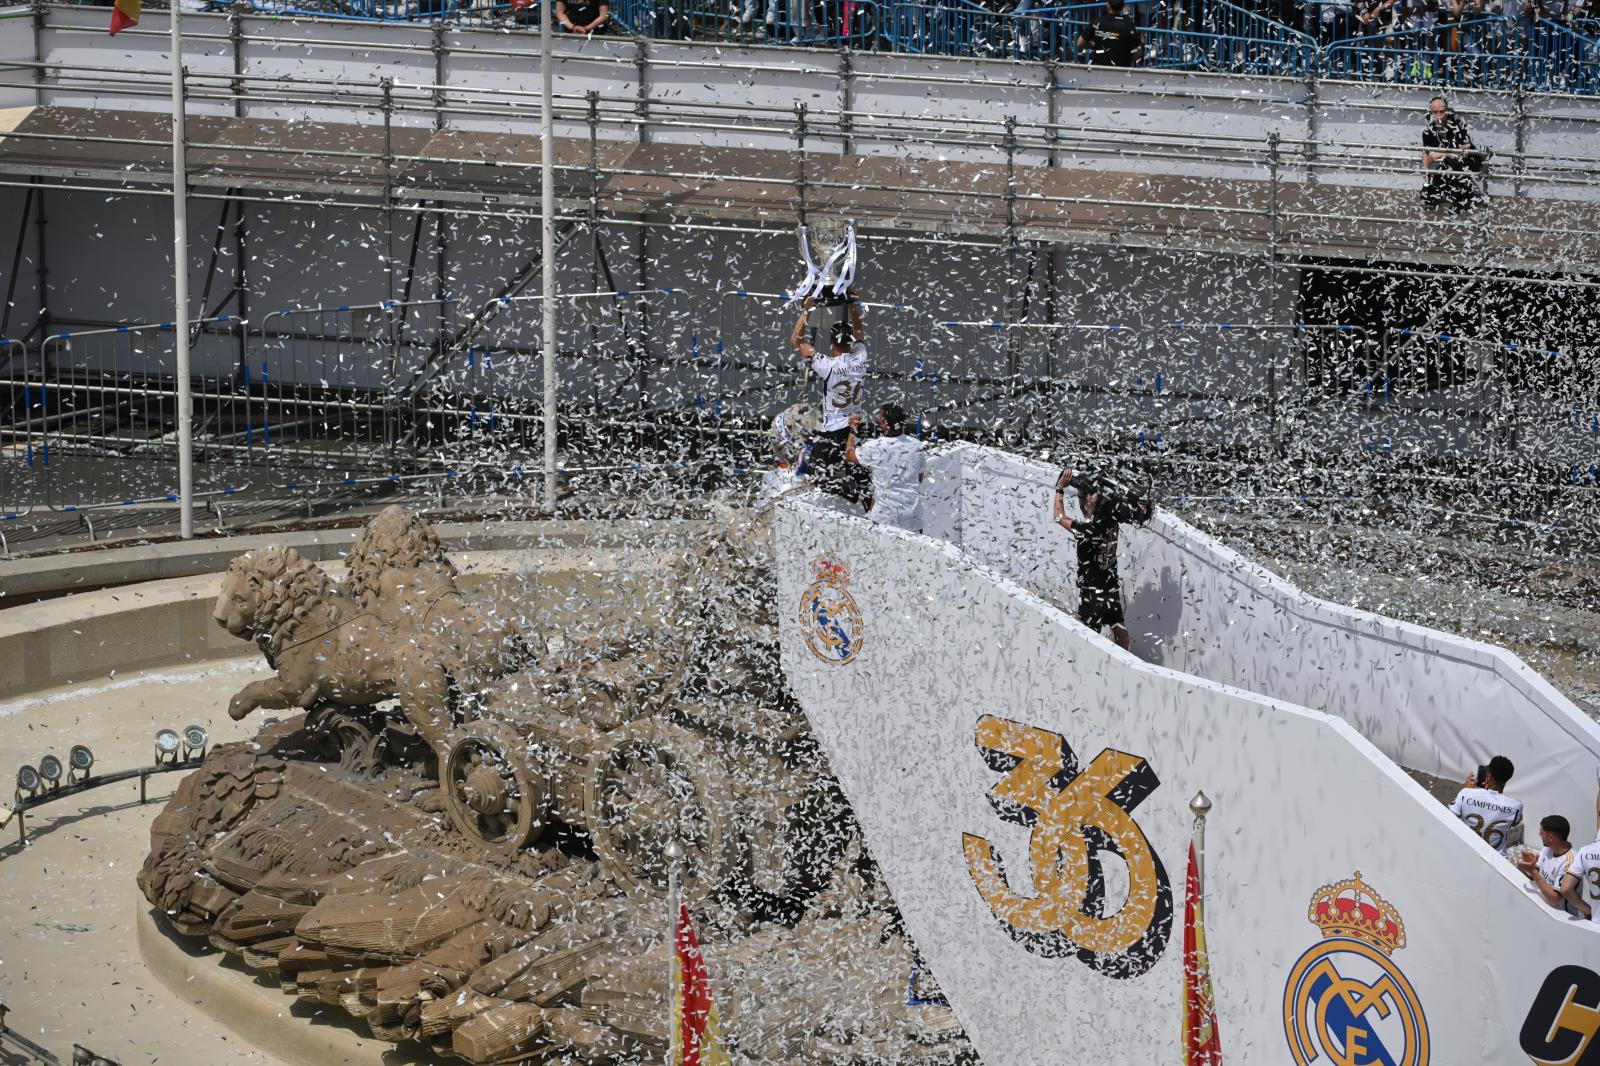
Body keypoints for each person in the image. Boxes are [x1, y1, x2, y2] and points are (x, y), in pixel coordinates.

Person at [1051, 467, 1131, 651]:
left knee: (1089, 640)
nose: (1082, 502)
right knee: (1119, 629)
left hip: (1092, 594)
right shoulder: (1113, 521)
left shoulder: (1090, 531)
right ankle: (1126, 661)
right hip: (1110, 588)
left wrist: (1059, 489)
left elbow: (1058, 517)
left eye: (1082, 498)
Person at [791, 296, 867, 456]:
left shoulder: (827, 365)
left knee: (821, 473)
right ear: (851, 341)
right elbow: (859, 330)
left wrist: (807, 310)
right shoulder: (861, 356)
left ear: (831, 341)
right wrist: (851, 304)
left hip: (833, 429)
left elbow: (797, 342)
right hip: (856, 426)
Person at [849, 403, 925, 531]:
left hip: (884, 518)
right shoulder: (917, 446)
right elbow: (919, 478)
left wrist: (852, 428)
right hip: (912, 518)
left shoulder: (873, 447)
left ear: (884, 423)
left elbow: (850, 455)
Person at [1448, 755, 1523, 854]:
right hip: (1496, 860)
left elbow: (1449, 816)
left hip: (1466, 851)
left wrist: (1465, 789)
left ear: (1489, 775)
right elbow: (1515, 822)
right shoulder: (1516, 806)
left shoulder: (1466, 793)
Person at [1421, 96, 1483, 212]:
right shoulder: (1429, 130)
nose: (1439, 115)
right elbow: (1426, 151)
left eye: (1442, 111)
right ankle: (1443, 193)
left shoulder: (1458, 124)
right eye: (1435, 112)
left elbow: (1463, 151)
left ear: (1447, 111)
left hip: (1468, 161)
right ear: (1431, 113)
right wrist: (1425, 169)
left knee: (1454, 162)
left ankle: (1463, 199)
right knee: (1427, 197)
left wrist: (1442, 153)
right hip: (1445, 164)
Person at [1515, 815, 1584, 916]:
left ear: (1551, 837)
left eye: (1541, 832)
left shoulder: (1571, 862)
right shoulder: (1548, 849)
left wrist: (1533, 871)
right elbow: (1539, 877)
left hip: (1562, 916)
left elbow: (1555, 899)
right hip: (1544, 906)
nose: (1539, 834)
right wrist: (1531, 866)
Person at [1077, 0, 1141, 66]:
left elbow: (1080, 43)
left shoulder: (1097, 22)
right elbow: (1138, 50)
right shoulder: (1128, 25)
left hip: (1098, 68)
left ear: (1108, 6)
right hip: (1121, 69)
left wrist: (1092, 46)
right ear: (1122, 7)